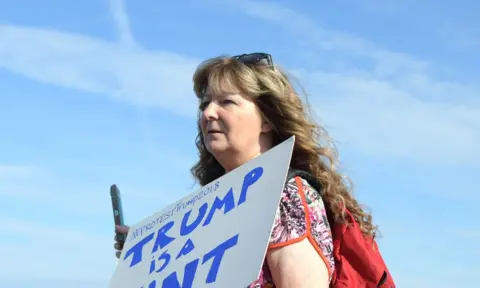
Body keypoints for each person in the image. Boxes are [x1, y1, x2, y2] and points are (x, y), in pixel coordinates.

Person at [114, 53, 391, 288]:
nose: (208, 113)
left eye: (227, 102)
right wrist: (147, 254)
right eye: (205, 103)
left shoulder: (284, 198)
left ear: (267, 120)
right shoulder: (217, 209)